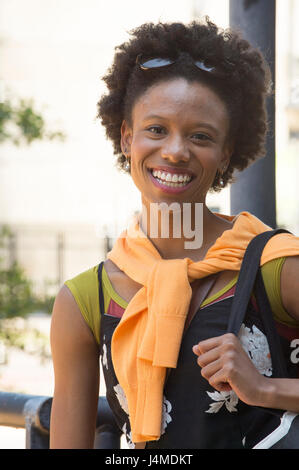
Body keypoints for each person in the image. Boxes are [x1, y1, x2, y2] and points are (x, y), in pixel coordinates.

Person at [49, 18, 299, 449]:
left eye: (200, 136)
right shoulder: (85, 300)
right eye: (156, 129)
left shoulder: (277, 266)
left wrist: (265, 389)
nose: (175, 151)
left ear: (225, 153)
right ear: (127, 138)